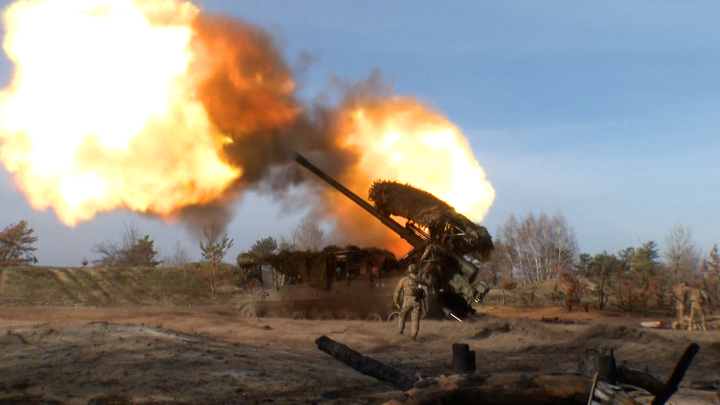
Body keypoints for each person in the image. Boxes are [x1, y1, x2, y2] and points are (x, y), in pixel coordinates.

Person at [393, 264, 427, 339]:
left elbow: (397, 291)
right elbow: (425, 290)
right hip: (417, 303)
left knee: (402, 316)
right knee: (415, 320)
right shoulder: (419, 280)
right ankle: (413, 336)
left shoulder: (404, 280)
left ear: (408, 271)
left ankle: (401, 331)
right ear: (415, 271)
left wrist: (396, 302)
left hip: (406, 302)